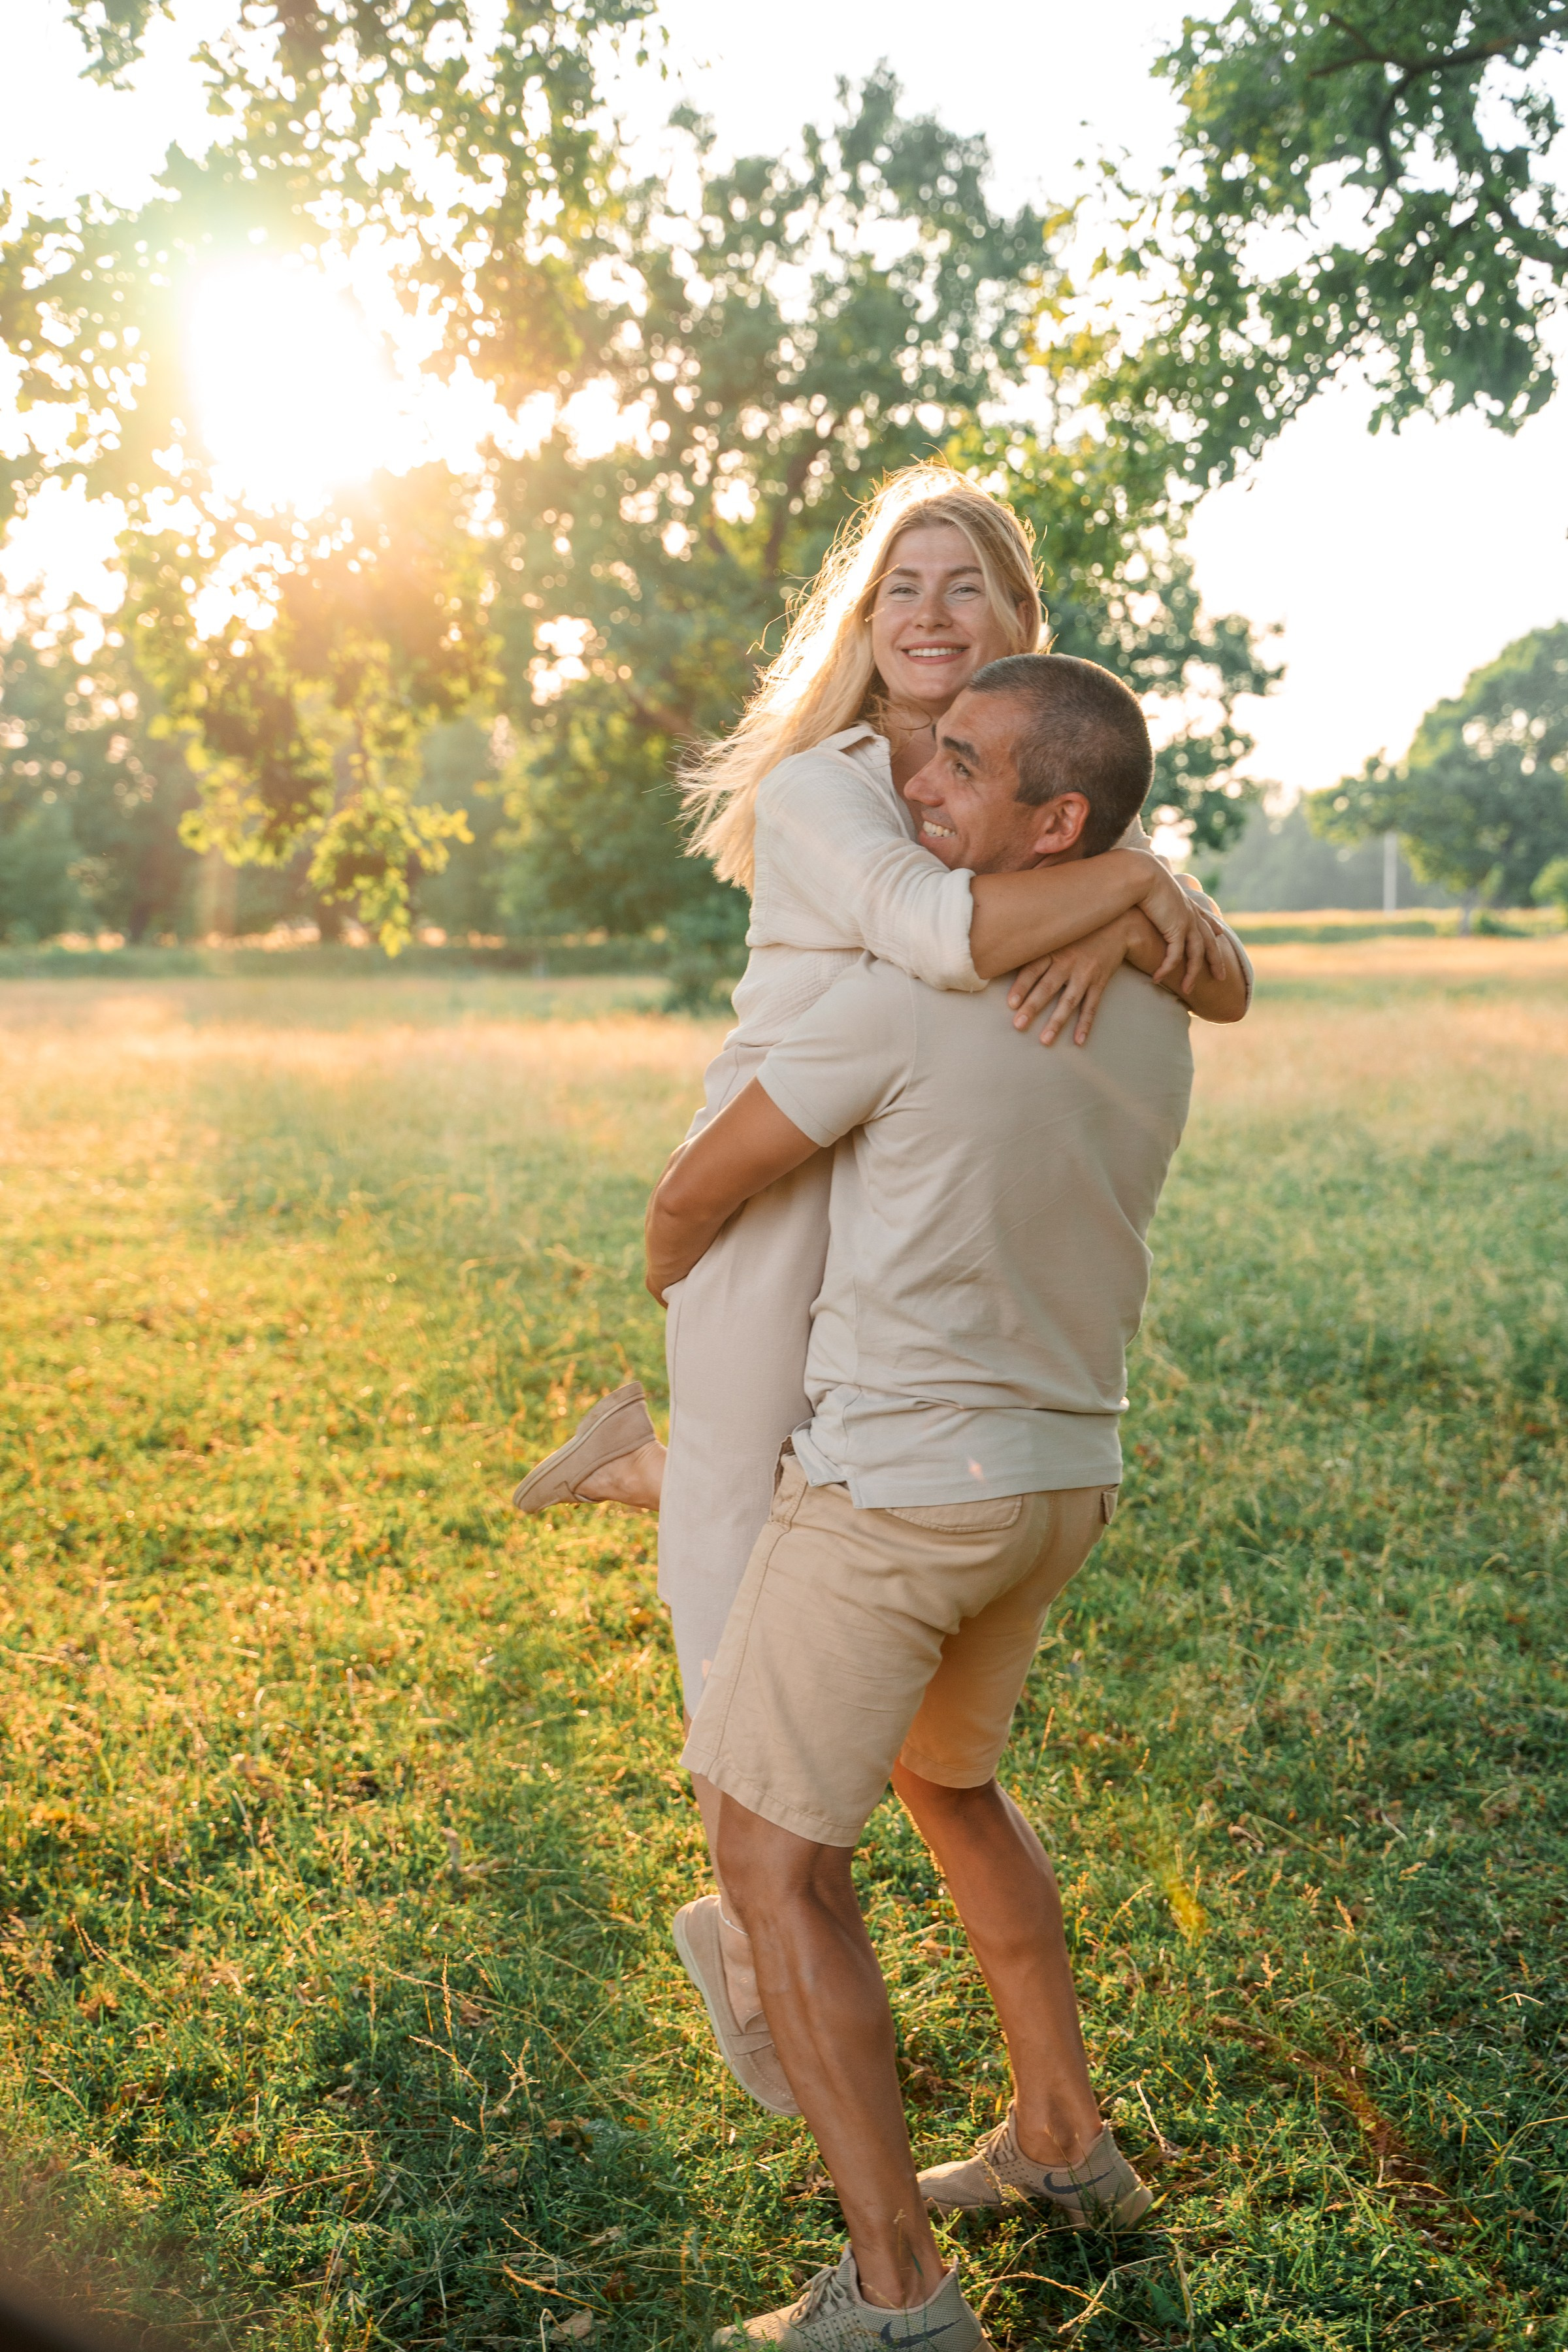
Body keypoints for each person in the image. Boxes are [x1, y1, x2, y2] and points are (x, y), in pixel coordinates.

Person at [514, 466, 1243, 2107]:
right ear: (865, 622)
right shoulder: (830, 792)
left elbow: (1229, 982)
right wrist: (1122, 890)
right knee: (736, 1612)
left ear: (1013, 626)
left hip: (915, 1168)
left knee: (825, 1506)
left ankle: (656, 1463)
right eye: (900, 585)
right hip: (783, 1174)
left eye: (964, 586)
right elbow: (927, 933)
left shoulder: (1053, 789)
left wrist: (1148, 891)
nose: (928, 612)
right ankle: (752, 1915)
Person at [644, 652, 1245, 2347]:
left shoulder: (919, 989)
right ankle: (1062, 2140)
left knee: (769, 1855)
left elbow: (703, 1190)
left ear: (1057, 821)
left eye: (962, 769)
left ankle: (896, 2299)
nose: (919, 787)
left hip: (905, 1497)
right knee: (948, 1781)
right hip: (1061, 1478)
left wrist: (672, 1273)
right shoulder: (1145, 986)